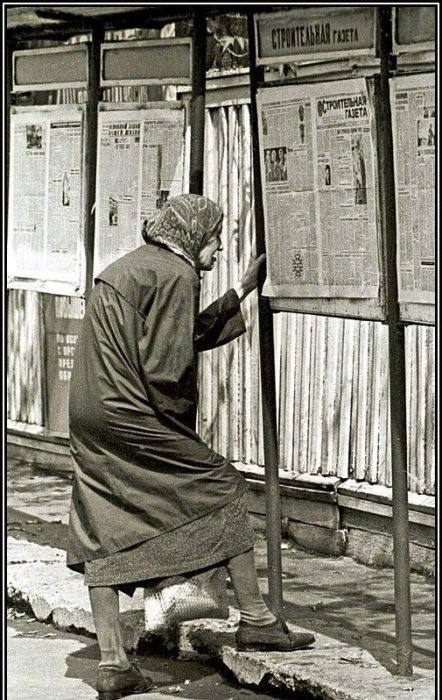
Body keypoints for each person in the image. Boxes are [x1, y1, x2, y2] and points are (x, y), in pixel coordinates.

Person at [67, 194, 315, 699]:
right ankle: (257, 619)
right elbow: (166, 369)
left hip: (91, 412)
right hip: (131, 414)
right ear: (192, 235)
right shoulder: (177, 275)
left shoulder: (133, 267)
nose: (218, 246)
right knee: (221, 486)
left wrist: (240, 290)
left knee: (103, 520)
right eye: (215, 237)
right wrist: (182, 434)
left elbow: (172, 336)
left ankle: (113, 662)